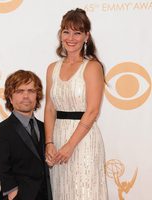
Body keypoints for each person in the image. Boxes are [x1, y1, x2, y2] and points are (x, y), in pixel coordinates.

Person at [44, 8, 108, 199]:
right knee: (62, 191)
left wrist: (70, 145)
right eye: (66, 31)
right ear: (60, 34)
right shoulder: (52, 68)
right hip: (57, 138)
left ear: (86, 36)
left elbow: (92, 111)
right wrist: (49, 142)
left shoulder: (92, 67)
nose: (71, 38)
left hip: (83, 141)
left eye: (77, 32)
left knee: (84, 191)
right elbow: (49, 108)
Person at [0, 70, 52, 200]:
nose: (26, 96)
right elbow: (1, 165)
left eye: (31, 91)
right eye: (19, 91)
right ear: (10, 98)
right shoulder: (1, 131)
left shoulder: (46, 128)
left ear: (37, 96)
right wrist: (12, 192)